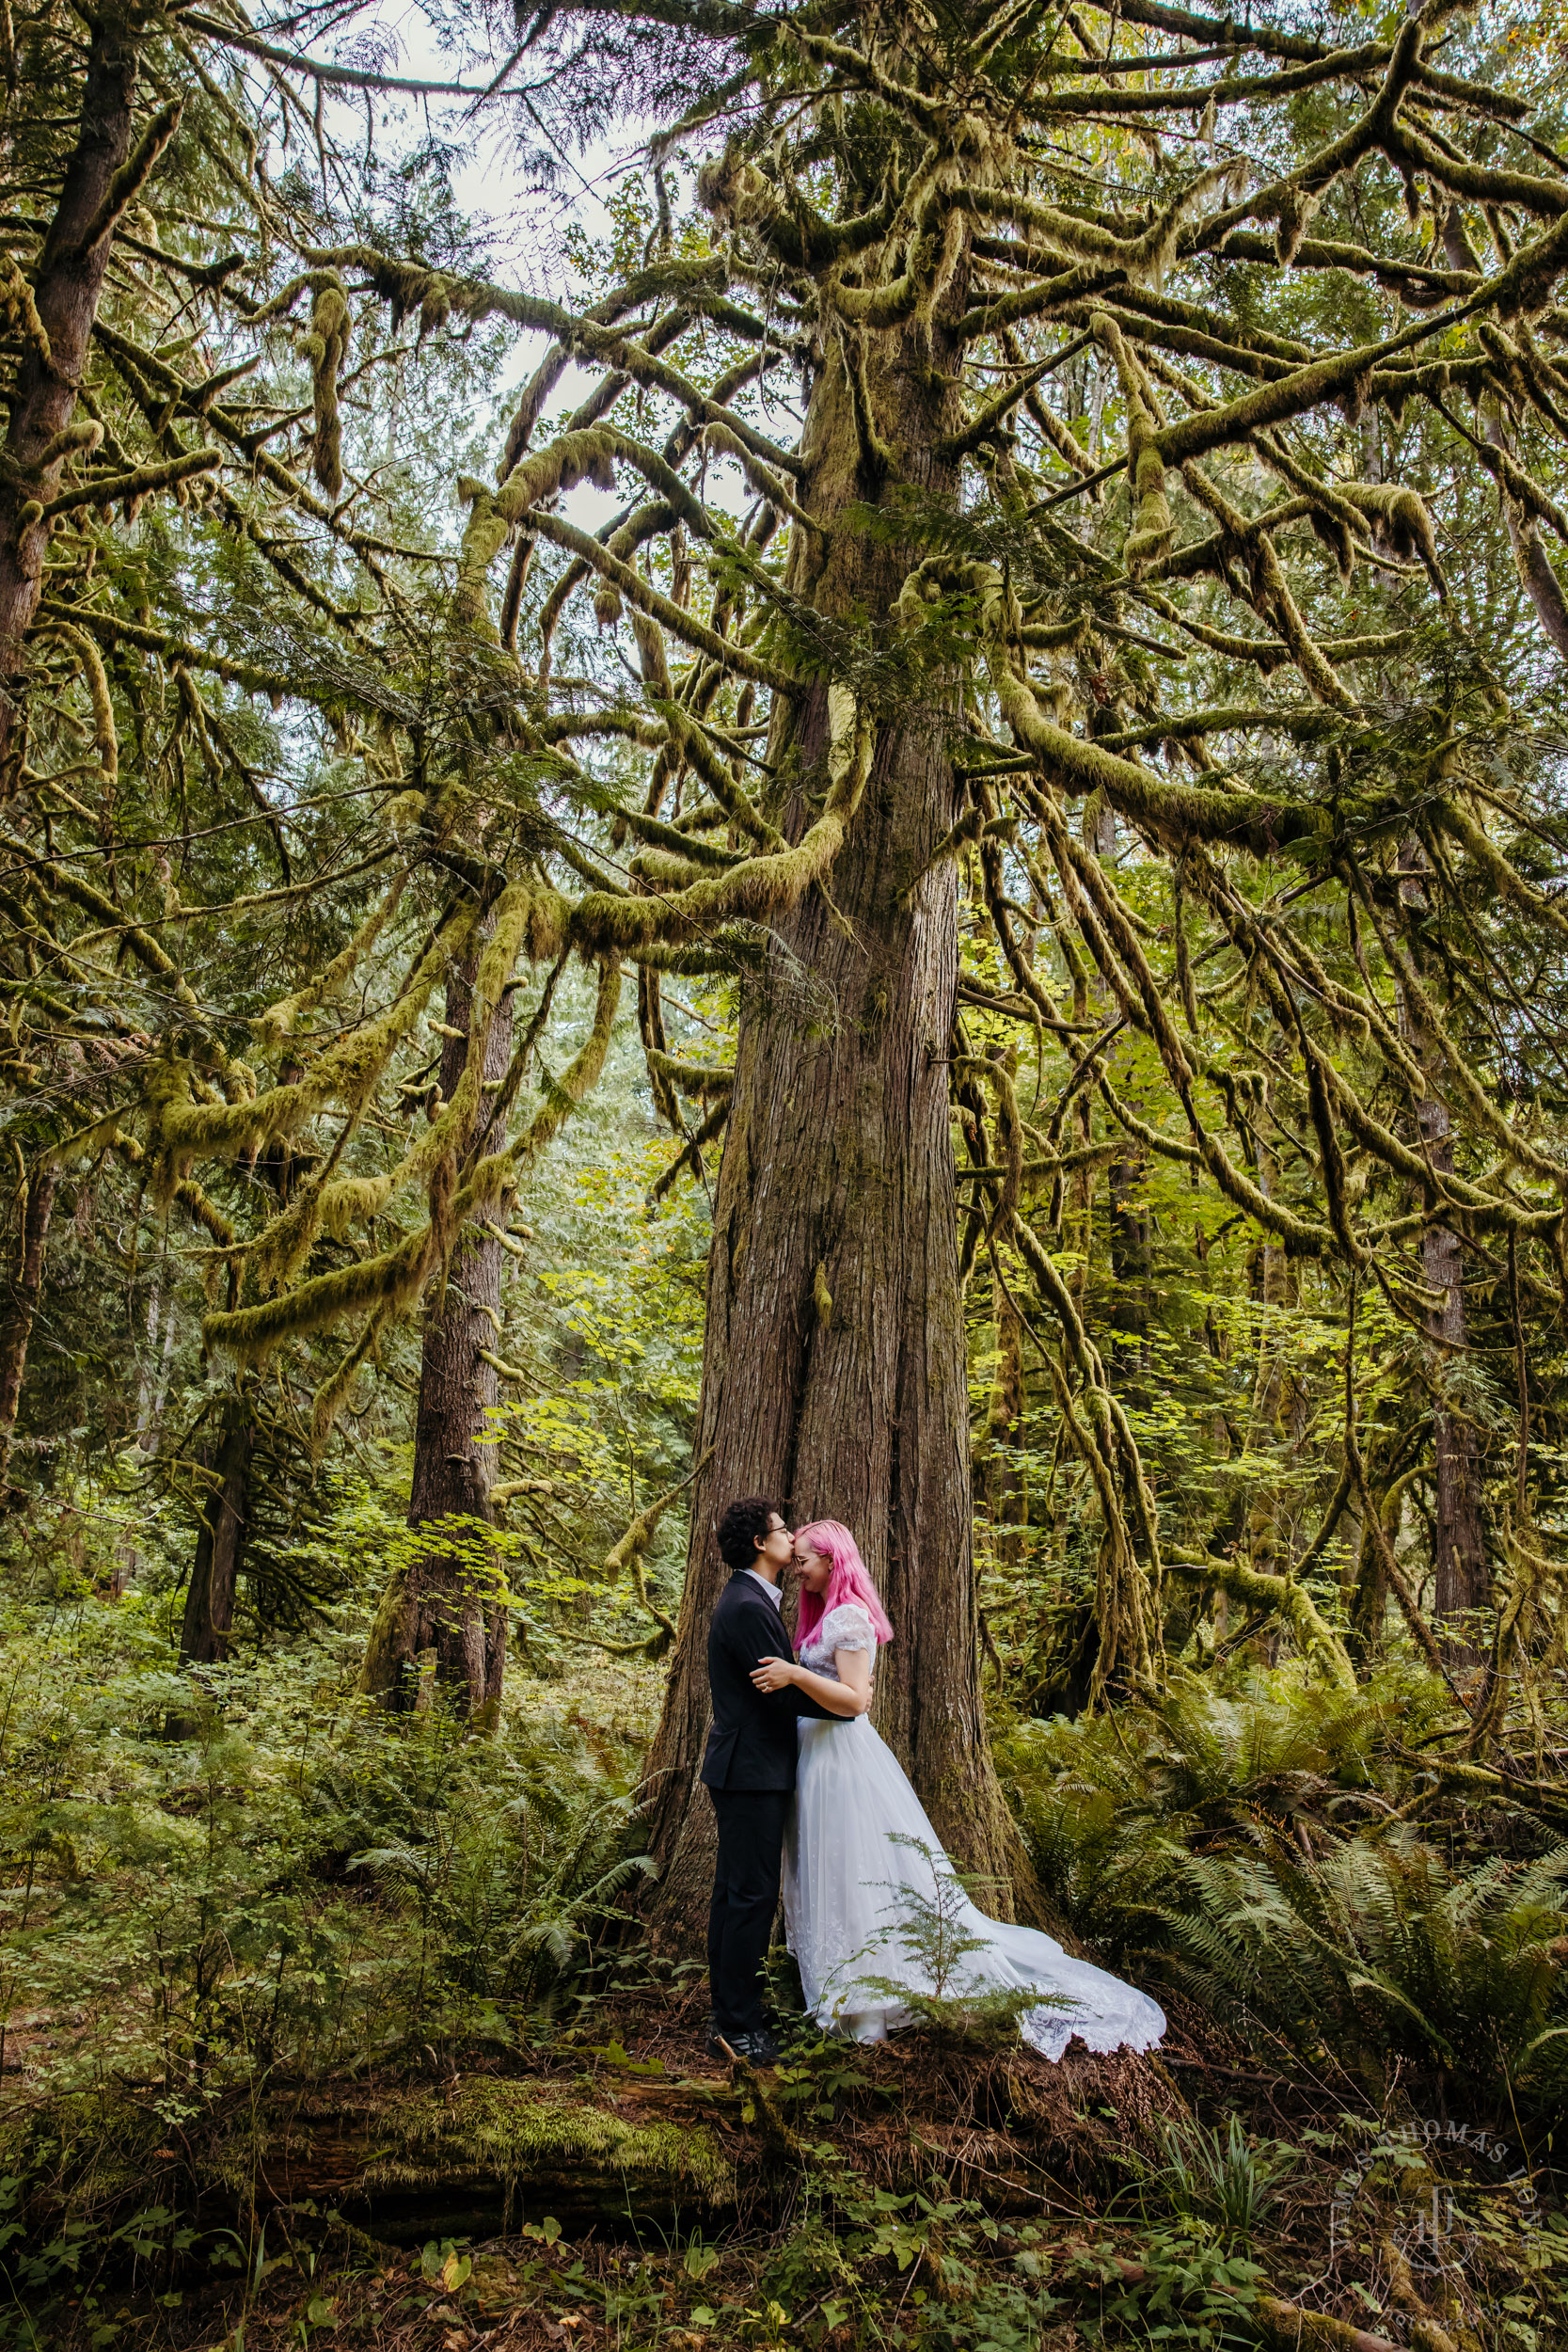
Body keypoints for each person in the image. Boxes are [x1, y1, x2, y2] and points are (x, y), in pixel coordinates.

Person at [752, 1519, 1166, 2060]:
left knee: (854, 1873)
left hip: (841, 1759)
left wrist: (796, 1676)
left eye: (806, 1559)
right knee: (824, 1868)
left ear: (832, 1559)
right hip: (814, 1757)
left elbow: (856, 1701)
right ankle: (840, 1994)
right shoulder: (819, 1618)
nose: (798, 1567)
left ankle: (869, 2009)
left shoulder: (849, 1617)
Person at [701, 1494, 840, 2064]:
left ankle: (729, 2015)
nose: (792, 1536)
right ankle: (738, 2026)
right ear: (761, 1543)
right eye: (783, 1529)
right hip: (750, 1771)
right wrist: (849, 1707)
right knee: (751, 1897)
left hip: (747, 1768)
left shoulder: (753, 1600)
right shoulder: (747, 1606)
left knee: (737, 1894)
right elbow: (779, 1697)